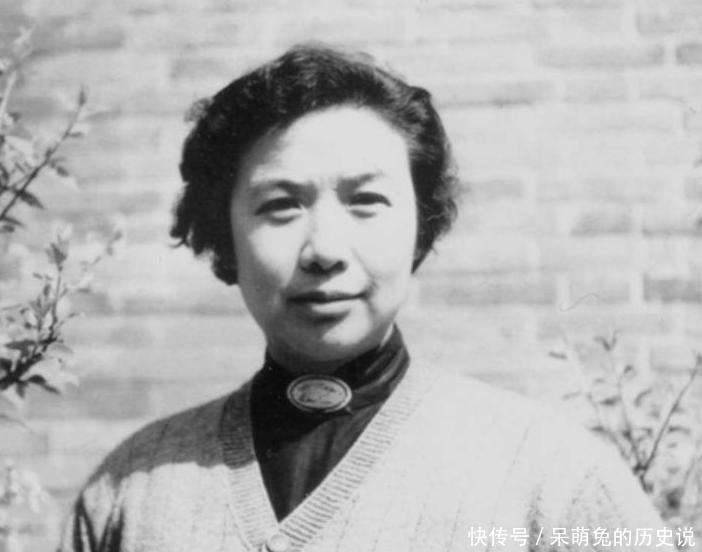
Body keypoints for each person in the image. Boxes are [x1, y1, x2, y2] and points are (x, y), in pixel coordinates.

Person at [59, 44, 664, 552]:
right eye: (281, 205)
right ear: (224, 235)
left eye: (366, 201)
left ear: (420, 226)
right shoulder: (132, 490)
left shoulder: (550, 475)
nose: (324, 249)